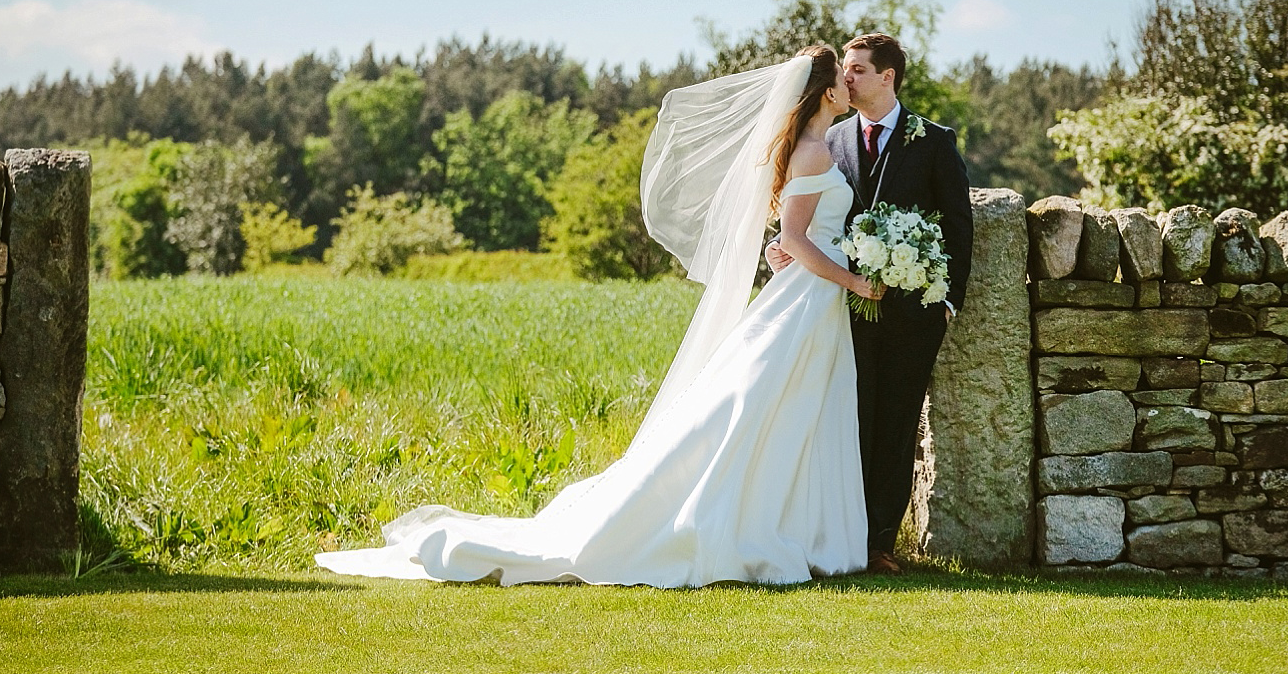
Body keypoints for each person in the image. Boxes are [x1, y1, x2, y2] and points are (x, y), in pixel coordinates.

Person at [316, 44, 881, 587]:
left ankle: (803, 532)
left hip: (812, 297)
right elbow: (797, 240)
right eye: (843, 75)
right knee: (767, 409)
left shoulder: (822, 144)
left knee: (800, 411)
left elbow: (796, 238)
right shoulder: (811, 151)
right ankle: (742, 526)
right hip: (807, 295)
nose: (849, 82)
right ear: (824, 90)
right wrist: (854, 278)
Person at [766, 32, 973, 576]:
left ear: (889, 77)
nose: (848, 77)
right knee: (847, 422)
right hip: (840, 309)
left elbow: (957, 225)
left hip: (912, 314)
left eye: (858, 69)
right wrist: (780, 244)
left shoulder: (932, 140)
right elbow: (803, 220)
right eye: (846, 69)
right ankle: (843, 536)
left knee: (897, 425)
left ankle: (880, 543)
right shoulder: (829, 141)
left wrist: (947, 302)